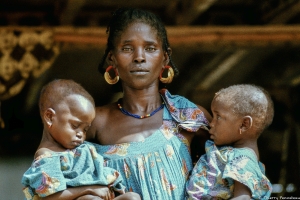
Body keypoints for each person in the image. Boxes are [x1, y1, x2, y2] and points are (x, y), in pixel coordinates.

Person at [86, 7, 212, 200]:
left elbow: (236, 165)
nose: (139, 57)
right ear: (112, 57)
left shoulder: (187, 116)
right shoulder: (95, 121)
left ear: (165, 57)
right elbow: (52, 173)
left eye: (150, 48)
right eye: (127, 48)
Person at [21, 79, 141, 200]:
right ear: (50, 117)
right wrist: (90, 190)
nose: (80, 135)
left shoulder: (82, 150)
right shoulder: (47, 157)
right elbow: (50, 197)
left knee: (132, 197)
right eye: (75, 126)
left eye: (85, 129)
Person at [185, 84, 274, 200]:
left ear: (244, 124)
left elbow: (242, 198)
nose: (211, 123)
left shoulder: (243, 159)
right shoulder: (228, 152)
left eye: (218, 117)